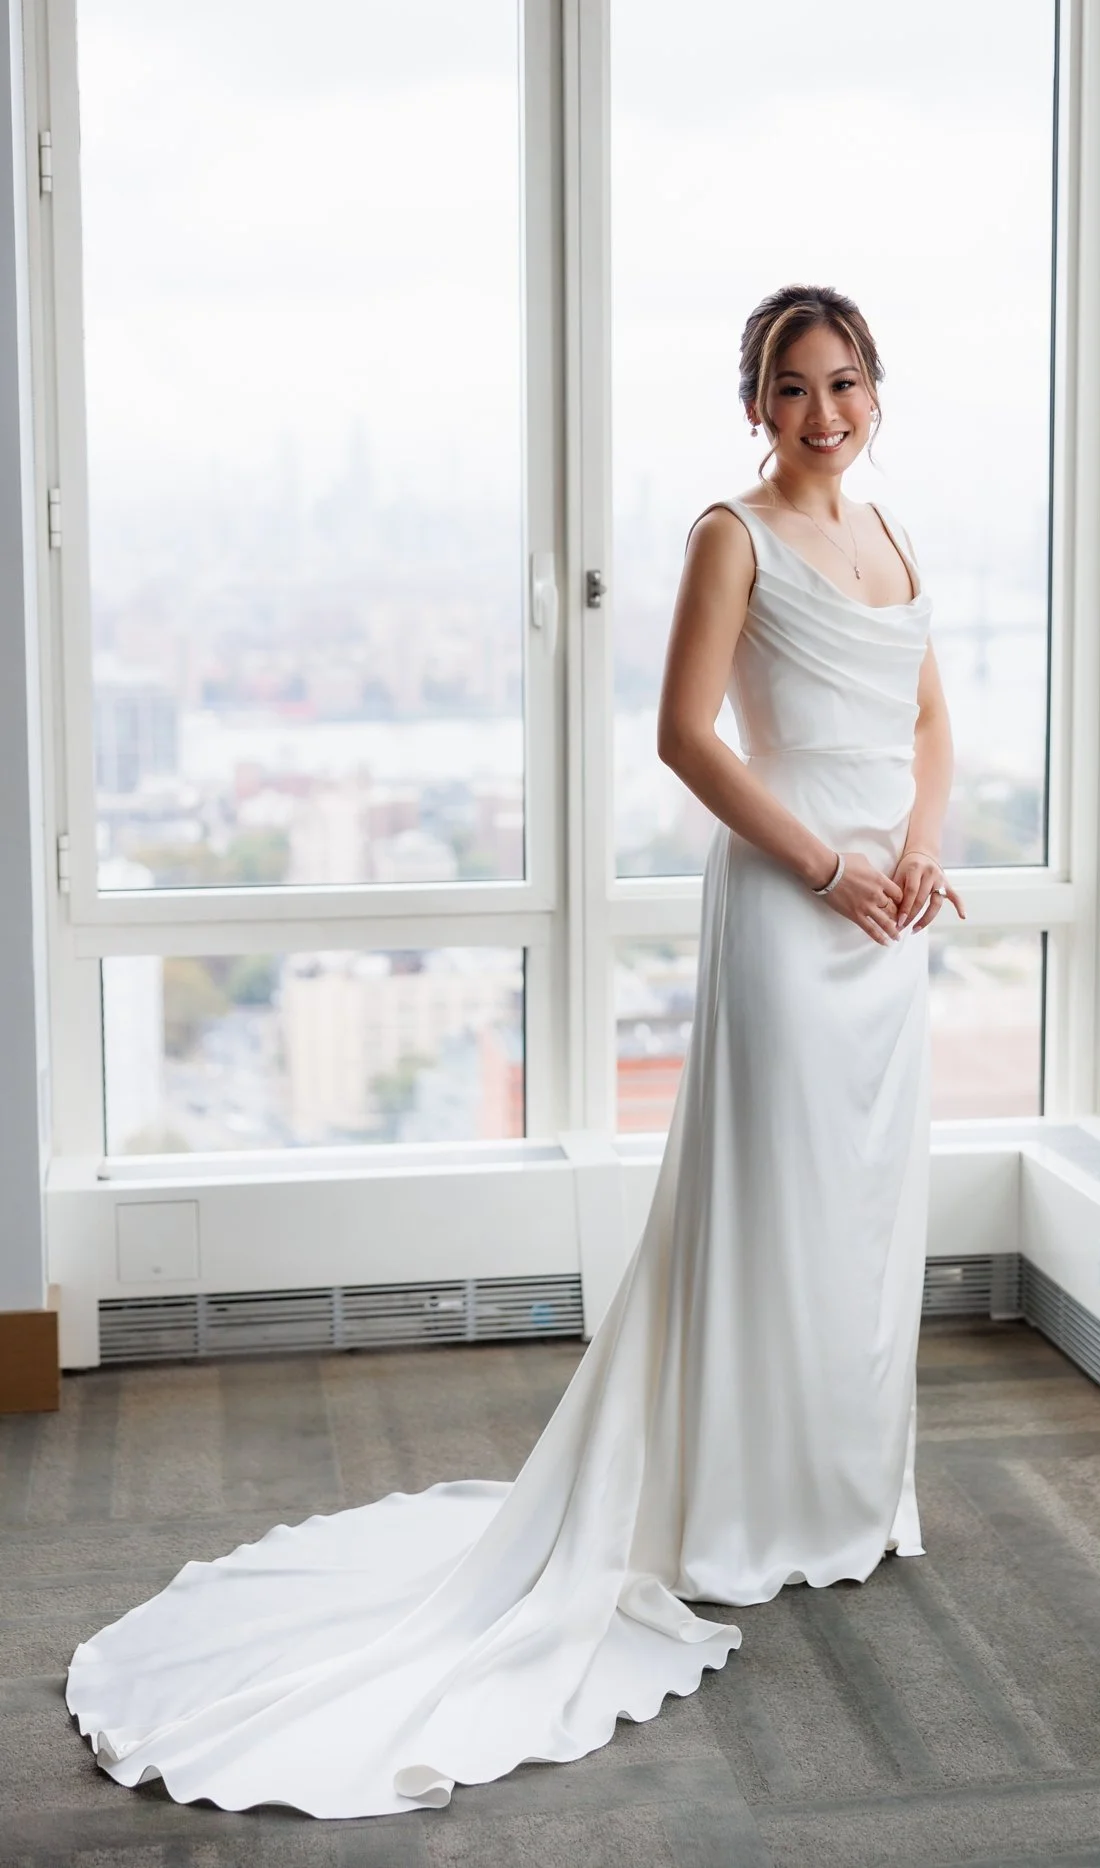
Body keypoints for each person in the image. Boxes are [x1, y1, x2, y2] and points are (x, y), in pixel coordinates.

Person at [64, 283, 965, 1817]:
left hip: (893, 923)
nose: (824, 413)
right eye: (793, 387)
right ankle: (741, 1511)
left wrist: (921, 853)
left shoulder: (894, 539)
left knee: (870, 1219)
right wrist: (828, 867)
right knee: (777, 1205)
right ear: (755, 403)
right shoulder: (731, 536)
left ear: (878, 392)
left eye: (846, 383)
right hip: (794, 902)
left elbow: (932, 726)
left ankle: (844, 1496)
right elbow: (687, 737)